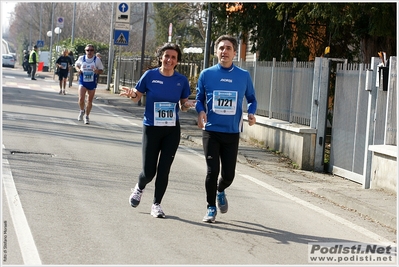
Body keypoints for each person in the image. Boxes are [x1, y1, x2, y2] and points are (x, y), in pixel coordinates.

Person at [119, 43, 196, 218]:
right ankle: (139, 187)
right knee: (149, 172)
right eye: (166, 56)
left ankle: (157, 204)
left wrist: (187, 105)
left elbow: (182, 105)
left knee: (164, 169)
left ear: (177, 61)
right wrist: (132, 94)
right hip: (152, 128)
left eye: (173, 57)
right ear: (161, 57)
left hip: (171, 130)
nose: (169, 60)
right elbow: (136, 97)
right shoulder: (150, 76)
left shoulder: (181, 80)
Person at [195, 35, 258, 223]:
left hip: (231, 132)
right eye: (221, 48)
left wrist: (252, 113)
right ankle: (210, 208)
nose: (224, 51)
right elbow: (199, 98)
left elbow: (252, 99)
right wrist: (200, 112)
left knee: (228, 176)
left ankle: (221, 190)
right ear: (216, 52)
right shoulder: (206, 74)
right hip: (211, 131)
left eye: (228, 48)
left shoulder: (243, 76)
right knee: (211, 171)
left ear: (234, 52)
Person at [74, 44, 104, 124]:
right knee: (81, 99)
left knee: (90, 101)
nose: (89, 52)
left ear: (93, 51)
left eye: (91, 50)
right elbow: (76, 65)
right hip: (83, 81)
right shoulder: (82, 58)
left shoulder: (96, 60)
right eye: (88, 50)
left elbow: (101, 70)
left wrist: (97, 71)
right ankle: (81, 111)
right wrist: (78, 70)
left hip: (92, 82)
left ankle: (87, 116)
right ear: (85, 51)